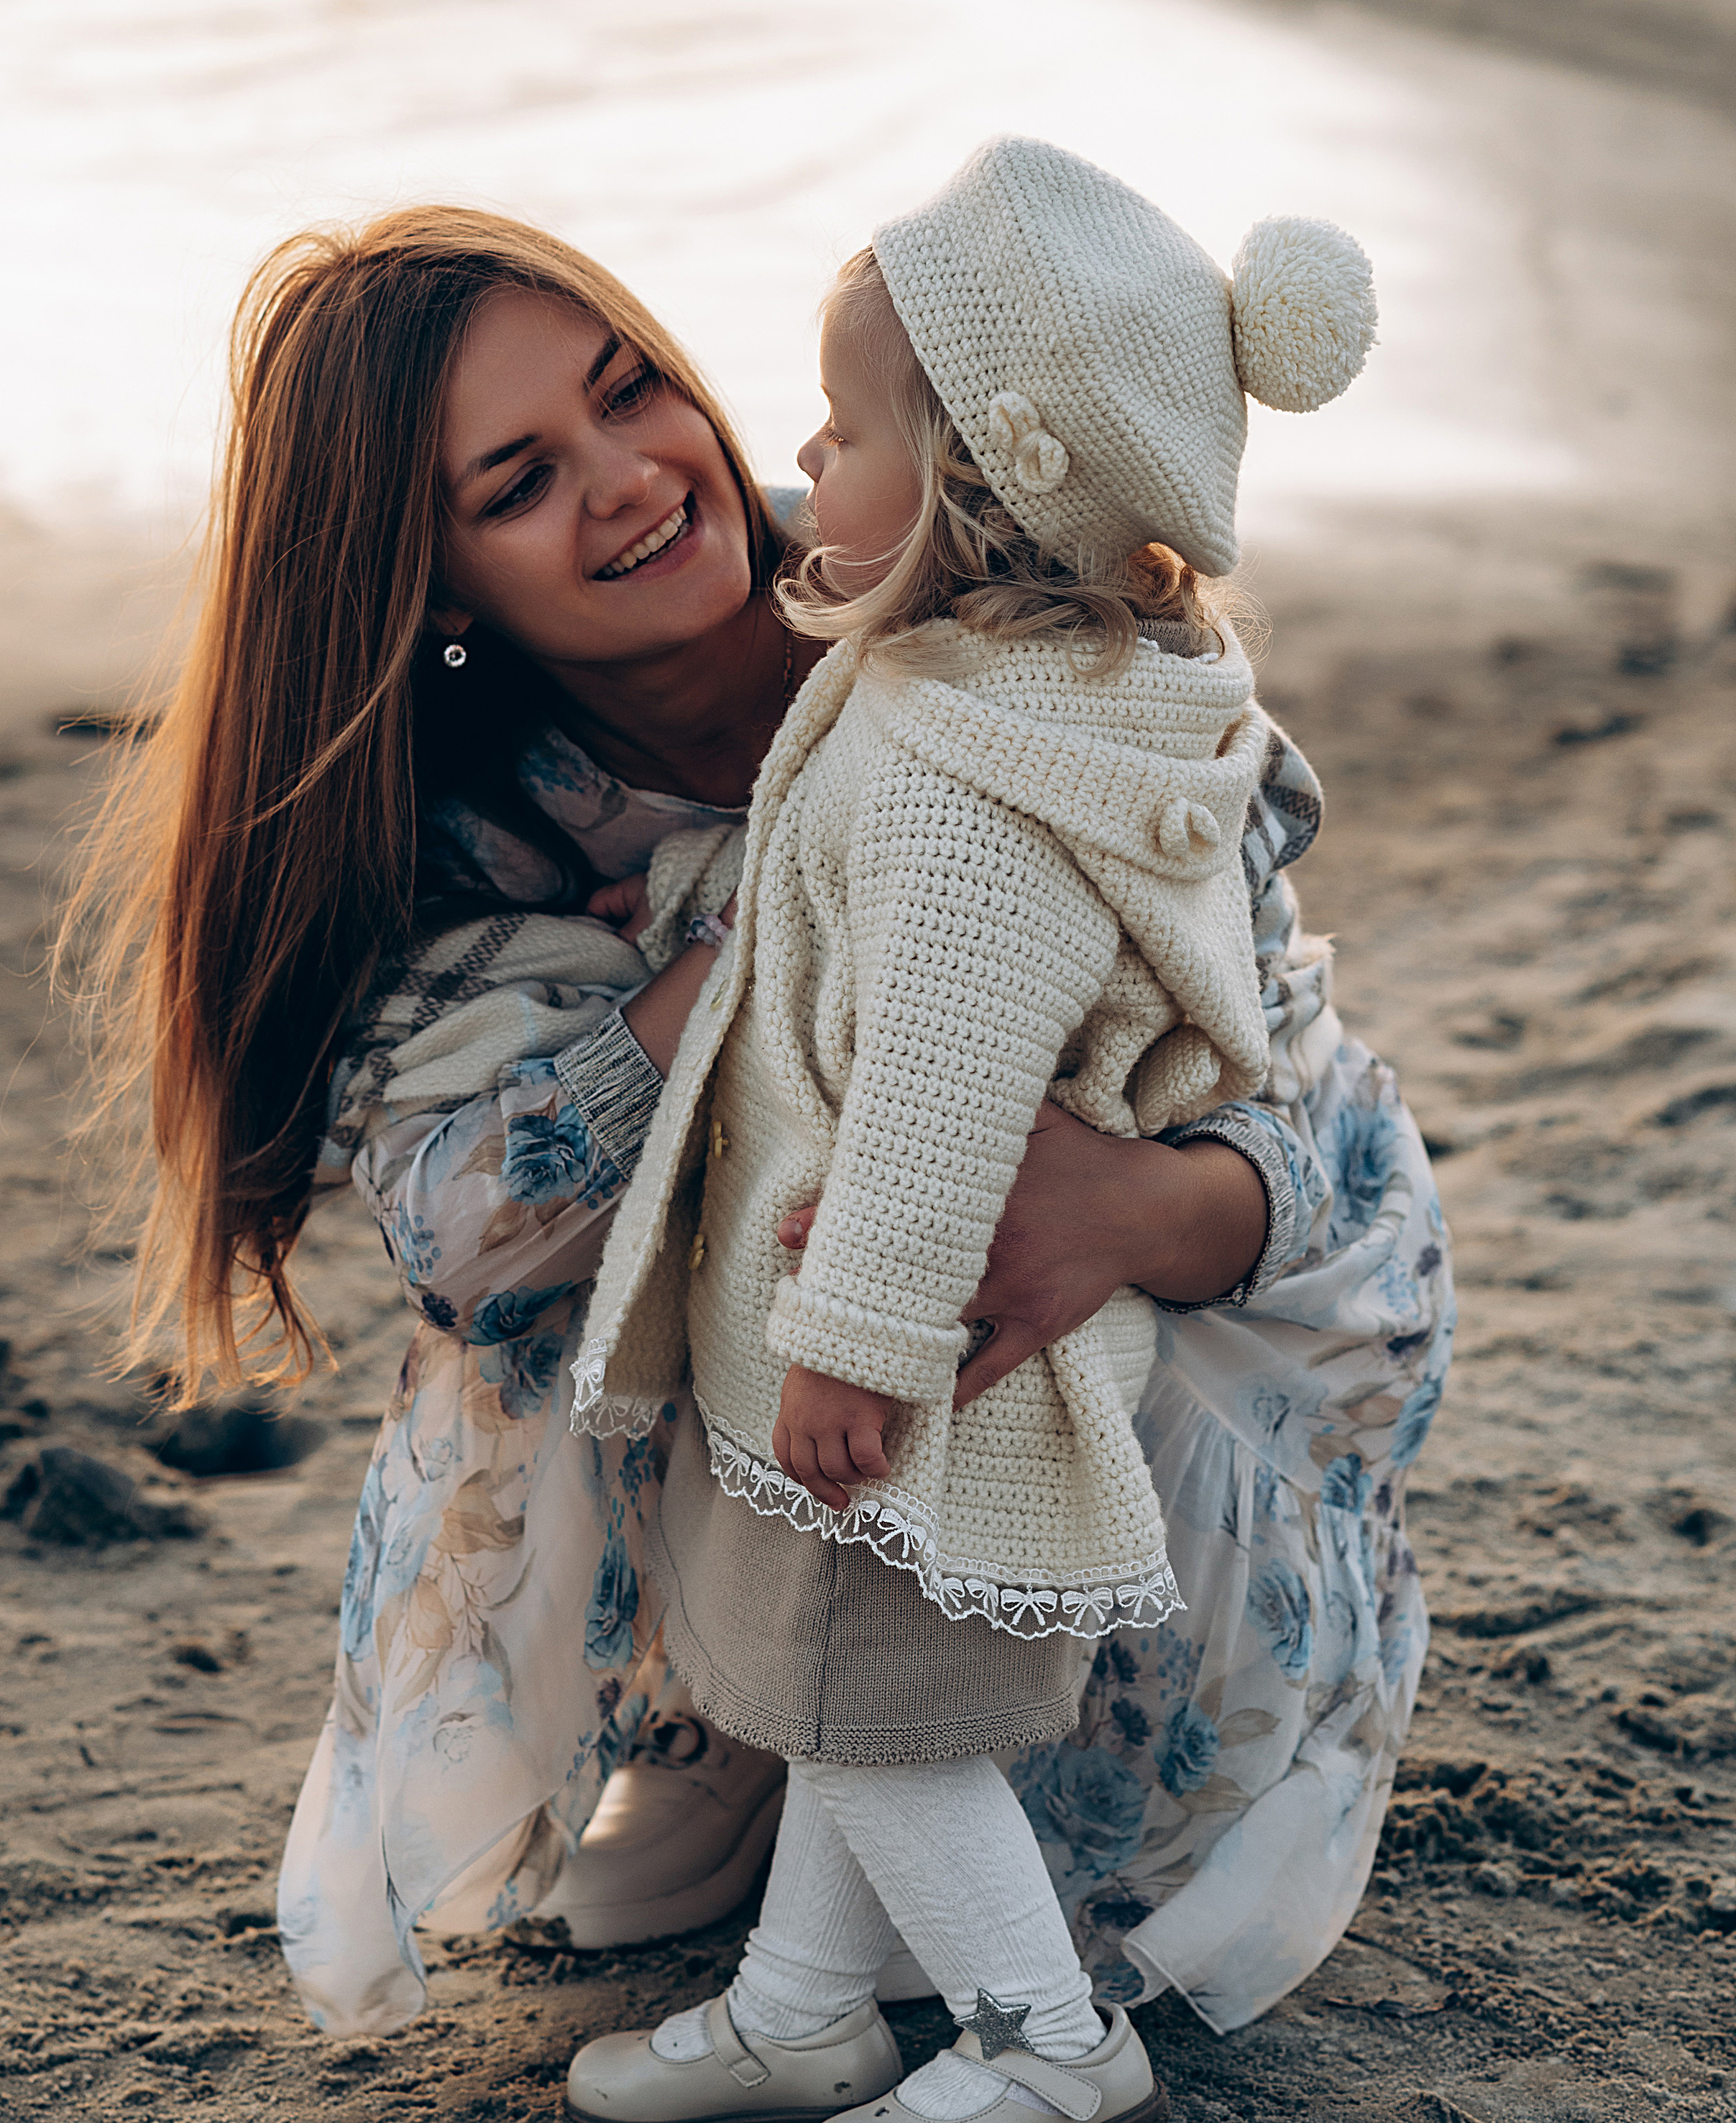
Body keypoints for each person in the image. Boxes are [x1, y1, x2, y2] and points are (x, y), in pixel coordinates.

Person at [75, 196, 1450, 2049]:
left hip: (1053, 1338)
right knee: (564, 1288)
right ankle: (719, 1718)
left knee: (1128, 1194)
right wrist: (753, 945)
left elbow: (1311, 1104)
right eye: (517, 482)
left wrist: (1131, 1211)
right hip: (759, 1388)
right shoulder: (464, 822)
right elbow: (472, 1240)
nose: (633, 478)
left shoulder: (975, 587)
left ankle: (1044, 1779)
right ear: (431, 584)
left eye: (631, 389)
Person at [560, 138, 1393, 2123]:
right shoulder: (1001, 689)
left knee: (868, 1718)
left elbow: (941, 1087)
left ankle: (1047, 2039)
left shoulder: (969, 778)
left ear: (982, 486)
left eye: (845, 429)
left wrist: (860, 1339)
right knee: (855, 1692)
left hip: (898, 1358)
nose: (802, 456)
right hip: (887, 1340)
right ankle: (805, 2007)